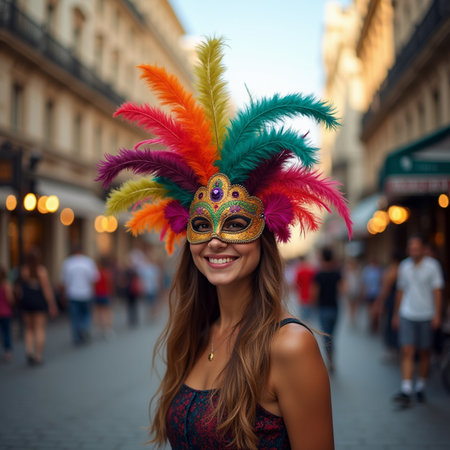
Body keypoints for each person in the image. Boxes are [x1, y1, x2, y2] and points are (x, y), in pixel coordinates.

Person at [97, 37, 352, 448]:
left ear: (265, 234)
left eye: (234, 224)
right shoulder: (196, 333)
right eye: (202, 226)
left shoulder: (290, 346)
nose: (216, 241)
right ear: (187, 235)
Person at [392, 235, 444, 408]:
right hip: (407, 313)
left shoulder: (433, 266)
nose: (413, 251)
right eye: (410, 248)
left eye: (416, 248)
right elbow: (400, 291)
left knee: (424, 351)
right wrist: (396, 314)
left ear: (422, 249)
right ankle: (406, 388)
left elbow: (437, 291)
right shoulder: (404, 266)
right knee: (407, 350)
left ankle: (420, 385)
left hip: (427, 315)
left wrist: (437, 314)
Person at [17, 249, 58, 365]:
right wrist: (52, 304)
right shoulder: (41, 271)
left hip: (27, 301)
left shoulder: (23, 270)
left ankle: (29, 351)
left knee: (29, 329)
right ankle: (38, 356)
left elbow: (19, 288)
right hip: (38, 302)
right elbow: (46, 289)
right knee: (39, 329)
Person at [61, 245, 99, 346]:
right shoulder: (88, 262)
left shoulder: (68, 263)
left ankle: (77, 336)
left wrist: (64, 294)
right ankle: (84, 327)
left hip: (73, 294)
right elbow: (94, 279)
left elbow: (65, 281)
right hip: (86, 293)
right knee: (86, 314)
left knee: (74, 316)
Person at [313, 248, 343, 372]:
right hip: (334, 307)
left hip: (323, 308)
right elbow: (343, 290)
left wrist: (314, 306)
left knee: (326, 336)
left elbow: (314, 293)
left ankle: (329, 359)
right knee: (332, 335)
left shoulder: (318, 275)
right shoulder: (337, 273)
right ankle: (331, 358)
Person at [373, 251, 402, 361]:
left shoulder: (392, 271)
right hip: (401, 302)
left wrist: (379, 302)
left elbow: (385, 289)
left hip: (391, 301)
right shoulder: (403, 270)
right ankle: (397, 349)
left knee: (390, 324)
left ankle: (392, 349)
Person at [93, 256, 114, 337]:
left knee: (100, 312)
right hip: (105, 294)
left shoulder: (96, 273)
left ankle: (101, 327)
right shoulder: (107, 273)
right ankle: (108, 329)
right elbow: (110, 284)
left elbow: (94, 284)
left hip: (99, 294)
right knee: (106, 312)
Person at [361, 257, 383, 333]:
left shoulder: (379, 270)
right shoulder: (367, 270)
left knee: (375, 311)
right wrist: (364, 292)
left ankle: (375, 324)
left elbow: (382, 282)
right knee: (370, 311)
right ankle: (371, 324)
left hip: (377, 293)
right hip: (369, 293)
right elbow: (365, 282)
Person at [295, 256, 316, 322]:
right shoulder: (311, 270)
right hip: (311, 295)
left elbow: (297, 285)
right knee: (311, 317)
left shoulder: (299, 271)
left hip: (303, 296)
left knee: (304, 318)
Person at [342, 257, 362, 327]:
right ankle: (351, 318)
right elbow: (345, 282)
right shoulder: (348, 272)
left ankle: (353, 317)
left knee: (355, 305)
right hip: (350, 290)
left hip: (355, 290)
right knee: (351, 305)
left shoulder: (357, 272)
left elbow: (359, 282)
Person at [0, 265, 14, 362]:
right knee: (7, 332)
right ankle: (8, 352)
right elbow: (10, 299)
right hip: (5, 313)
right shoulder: (7, 285)